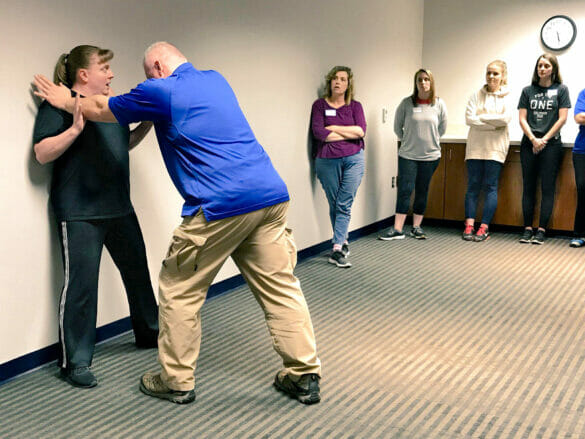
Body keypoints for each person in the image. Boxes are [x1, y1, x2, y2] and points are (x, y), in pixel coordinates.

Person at [33, 41, 322, 405]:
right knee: (281, 288)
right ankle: (304, 373)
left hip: (220, 206)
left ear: (156, 66)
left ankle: (175, 381)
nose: (123, 77)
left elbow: (101, 108)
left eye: (144, 74)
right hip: (268, 197)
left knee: (179, 290)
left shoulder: (161, 90)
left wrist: (65, 99)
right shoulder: (216, 79)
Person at [32, 45, 159, 389]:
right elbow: (42, 153)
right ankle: (75, 362)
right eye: (104, 68)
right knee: (81, 289)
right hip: (79, 212)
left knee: (137, 273)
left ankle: (150, 333)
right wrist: (74, 129)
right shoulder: (58, 103)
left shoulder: (108, 107)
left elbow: (122, 141)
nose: (111, 75)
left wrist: (147, 121)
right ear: (84, 74)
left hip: (119, 206)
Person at [379, 69, 447, 241]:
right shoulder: (406, 104)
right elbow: (397, 127)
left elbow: (442, 129)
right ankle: (397, 229)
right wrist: (409, 141)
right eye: (419, 80)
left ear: (431, 82)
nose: (423, 83)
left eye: (426, 79)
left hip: (430, 156)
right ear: (415, 83)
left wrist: (428, 141)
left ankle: (416, 227)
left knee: (422, 191)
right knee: (405, 190)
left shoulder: (439, 104)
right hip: (408, 155)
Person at [311, 66, 366, 268]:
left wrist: (333, 127)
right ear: (329, 81)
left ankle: (336, 248)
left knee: (344, 202)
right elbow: (319, 133)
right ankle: (342, 240)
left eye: (343, 79)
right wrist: (346, 133)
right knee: (335, 202)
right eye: (335, 78)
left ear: (348, 83)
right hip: (326, 159)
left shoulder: (355, 106)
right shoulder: (319, 105)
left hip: (354, 158)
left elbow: (360, 131)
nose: (338, 82)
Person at [517, 53, 571, 245]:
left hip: (551, 146)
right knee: (528, 187)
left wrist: (544, 140)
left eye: (546, 66)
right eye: (540, 65)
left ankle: (541, 230)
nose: (542, 69)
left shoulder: (561, 90)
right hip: (529, 144)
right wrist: (533, 139)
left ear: (553, 69)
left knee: (547, 188)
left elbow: (562, 118)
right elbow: (522, 117)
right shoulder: (527, 91)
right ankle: (527, 229)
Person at [462, 60, 512, 242]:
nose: (491, 76)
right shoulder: (476, 95)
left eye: (495, 73)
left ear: (502, 76)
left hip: (496, 149)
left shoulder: (508, 96)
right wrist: (493, 124)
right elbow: (469, 119)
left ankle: (484, 227)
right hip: (475, 147)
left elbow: (505, 120)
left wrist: (482, 117)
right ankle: (469, 225)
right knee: (473, 185)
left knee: (491, 186)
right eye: (489, 72)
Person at [570, 88, 585, 247]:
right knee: (583, 190)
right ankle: (579, 234)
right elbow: (579, 117)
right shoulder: (584, 93)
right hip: (582, 150)